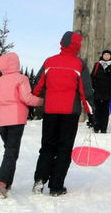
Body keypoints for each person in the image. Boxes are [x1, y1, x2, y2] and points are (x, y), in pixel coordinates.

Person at [31, 31, 95, 196]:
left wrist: (32, 100)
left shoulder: (49, 62)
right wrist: (91, 113)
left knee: (47, 146)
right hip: (69, 113)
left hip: (50, 111)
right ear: (76, 46)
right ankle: (56, 186)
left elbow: (37, 85)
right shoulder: (79, 64)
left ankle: (39, 180)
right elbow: (85, 92)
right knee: (64, 149)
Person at [0, 52, 43, 198]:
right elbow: (27, 98)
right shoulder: (21, 78)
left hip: (0, 120)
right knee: (11, 152)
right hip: (16, 118)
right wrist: (42, 101)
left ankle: (7, 182)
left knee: (10, 151)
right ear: (16, 63)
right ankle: (0, 183)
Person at [90, 49, 111, 133]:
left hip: (107, 92)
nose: (106, 56)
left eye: (108, 55)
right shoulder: (97, 65)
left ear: (110, 56)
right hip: (97, 92)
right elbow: (92, 77)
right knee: (97, 110)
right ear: (102, 56)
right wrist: (91, 89)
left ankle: (103, 128)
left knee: (105, 111)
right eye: (105, 54)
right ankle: (96, 127)